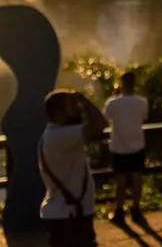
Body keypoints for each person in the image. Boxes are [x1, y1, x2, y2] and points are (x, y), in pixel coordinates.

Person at [38, 89, 107, 247]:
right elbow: (100, 124)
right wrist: (85, 101)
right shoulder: (61, 136)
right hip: (68, 217)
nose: (77, 109)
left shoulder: (53, 134)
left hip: (66, 214)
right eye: (72, 106)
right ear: (60, 114)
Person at [103, 71, 149, 222]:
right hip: (137, 144)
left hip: (119, 146)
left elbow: (105, 117)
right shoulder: (142, 102)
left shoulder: (113, 103)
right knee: (137, 178)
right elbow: (143, 117)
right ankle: (136, 208)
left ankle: (119, 210)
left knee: (120, 180)